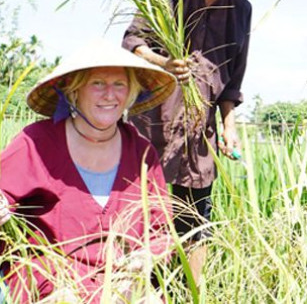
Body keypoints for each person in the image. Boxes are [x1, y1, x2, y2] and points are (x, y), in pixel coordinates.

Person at [122, 0, 272, 282]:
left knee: (196, 215)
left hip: (199, 125)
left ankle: (192, 292)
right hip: (152, 116)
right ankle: (136, 287)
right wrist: (163, 62)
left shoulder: (241, 9)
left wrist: (229, 124)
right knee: (142, 207)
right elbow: (132, 41)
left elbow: (233, 77)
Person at [0, 37, 176, 303]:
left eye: (119, 84)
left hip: (123, 284)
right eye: (97, 84)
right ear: (75, 90)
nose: (109, 94)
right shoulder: (36, 143)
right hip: (52, 284)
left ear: (130, 92)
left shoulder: (141, 152)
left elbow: (161, 228)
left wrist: (146, 257)